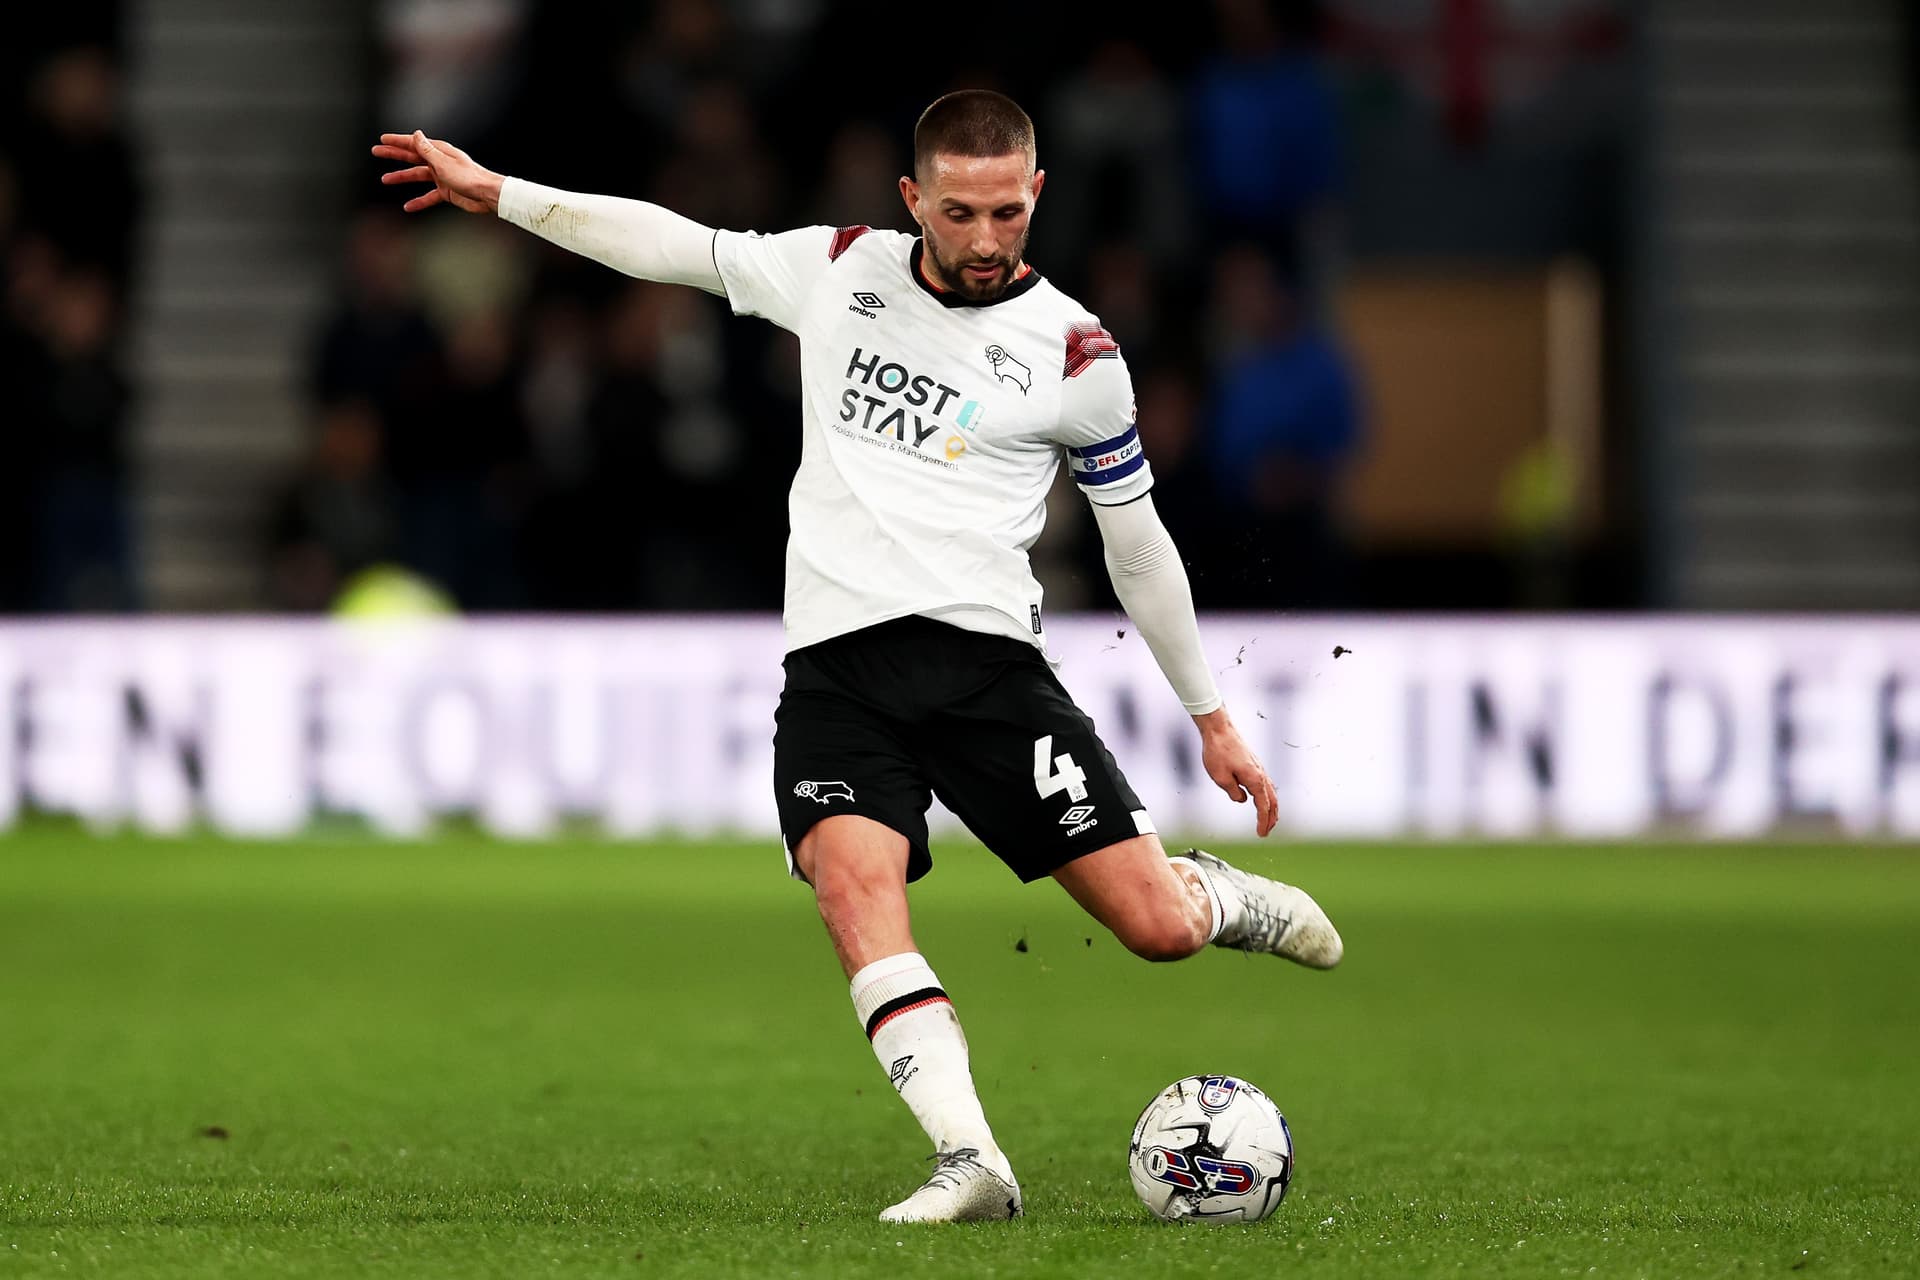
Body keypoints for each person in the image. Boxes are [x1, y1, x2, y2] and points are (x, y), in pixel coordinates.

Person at [373, 89, 1343, 1224]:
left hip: (989, 675)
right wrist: (499, 194)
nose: (985, 240)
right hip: (837, 674)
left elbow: (1138, 548)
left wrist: (1210, 715)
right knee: (854, 888)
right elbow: (669, 245)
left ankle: (1208, 894)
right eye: (959, 213)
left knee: (1157, 930)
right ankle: (971, 1160)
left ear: (1036, 193)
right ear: (911, 199)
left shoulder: (1079, 354)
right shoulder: (837, 268)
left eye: (1007, 213)